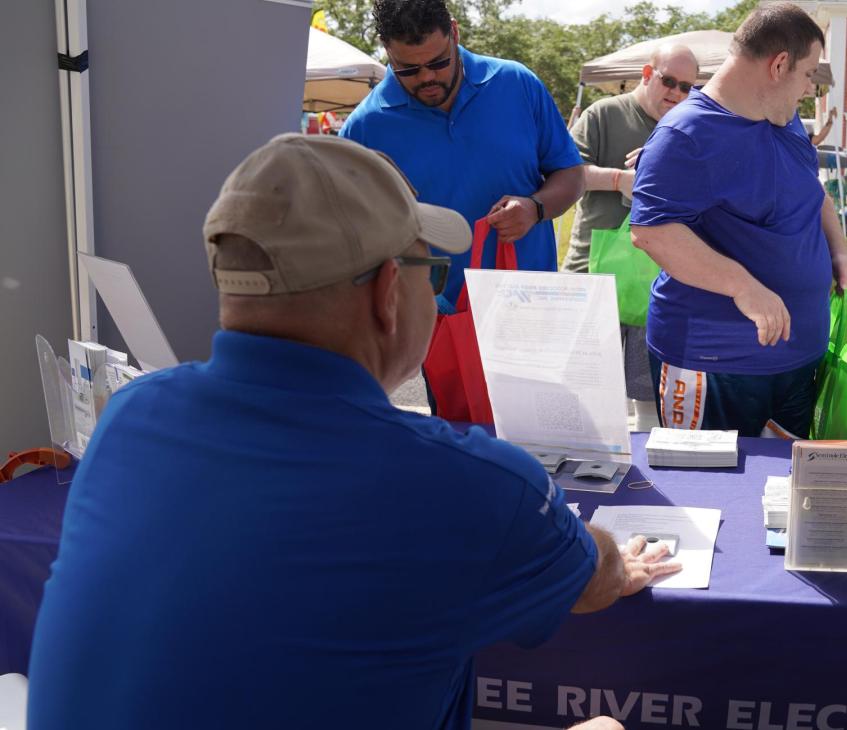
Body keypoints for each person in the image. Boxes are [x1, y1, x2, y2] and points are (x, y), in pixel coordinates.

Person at [25, 134, 676, 730]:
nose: (439, 298)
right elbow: (592, 583)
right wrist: (604, 551)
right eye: (435, 274)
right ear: (389, 291)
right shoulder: (467, 484)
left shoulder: (130, 417)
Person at [630, 2, 847, 438]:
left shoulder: (785, 117)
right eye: (809, 73)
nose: (810, 89)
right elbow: (651, 233)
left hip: (797, 357)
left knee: (781, 491)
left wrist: (838, 250)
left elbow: (812, 191)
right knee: (711, 495)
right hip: (715, 364)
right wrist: (744, 286)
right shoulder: (686, 134)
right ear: (778, 65)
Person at [340, 0, 584, 312]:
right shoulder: (364, 128)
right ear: (387, 50)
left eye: (439, 62)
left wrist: (535, 208)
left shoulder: (517, 83)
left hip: (529, 307)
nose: (427, 77)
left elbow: (571, 174)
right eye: (409, 69)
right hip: (425, 323)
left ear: (454, 33)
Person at [562, 44, 699, 409]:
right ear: (647, 73)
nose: (677, 93)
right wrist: (622, 180)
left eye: (688, 87)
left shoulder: (688, 128)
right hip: (592, 276)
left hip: (657, 282)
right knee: (585, 397)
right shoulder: (604, 113)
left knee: (647, 402)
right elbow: (565, 175)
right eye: (669, 81)